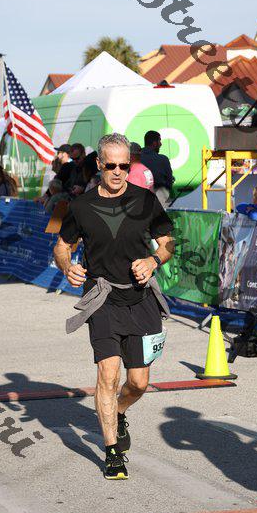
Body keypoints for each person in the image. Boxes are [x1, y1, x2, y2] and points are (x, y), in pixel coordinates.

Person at [54, 133, 174, 480]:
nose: (118, 171)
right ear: (99, 165)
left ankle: (119, 412)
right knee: (108, 375)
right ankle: (112, 453)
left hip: (141, 298)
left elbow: (168, 243)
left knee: (138, 382)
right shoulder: (80, 206)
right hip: (103, 297)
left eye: (124, 165)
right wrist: (67, 266)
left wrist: (153, 260)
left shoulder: (146, 200)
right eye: (111, 166)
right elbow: (61, 245)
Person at [141, 130, 174, 206]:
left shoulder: (136, 158)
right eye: (159, 141)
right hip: (160, 200)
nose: (161, 144)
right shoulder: (163, 159)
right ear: (154, 143)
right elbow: (169, 182)